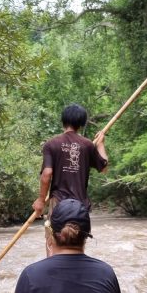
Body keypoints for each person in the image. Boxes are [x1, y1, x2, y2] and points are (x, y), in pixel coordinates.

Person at [34, 104, 109, 256]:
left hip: (58, 203)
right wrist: (100, 144)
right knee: (76, 246)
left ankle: (52, 271)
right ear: (81, 124)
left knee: (52, 242)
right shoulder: (87, 145)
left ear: (63, 121)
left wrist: (41, 200)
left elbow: (47, 173)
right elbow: (104, 167)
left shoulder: (51, 144)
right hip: (80, 206)